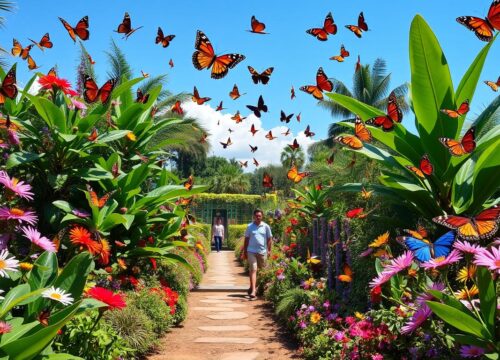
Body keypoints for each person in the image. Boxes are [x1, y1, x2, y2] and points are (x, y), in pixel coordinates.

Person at [243, 208, 272, 299]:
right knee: (254, 269)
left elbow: (269, 238)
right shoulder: (250, 226)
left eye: (259, 216)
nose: (258, 217)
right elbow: (246, 239)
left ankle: (254, 286)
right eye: (256, 216)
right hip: (251, 251)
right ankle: (253, 291)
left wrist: (269, 250)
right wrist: (245, 251)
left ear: (262, 216)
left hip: (262, 252)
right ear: (253, 216)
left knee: (263, 271)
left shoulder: (266, 226)